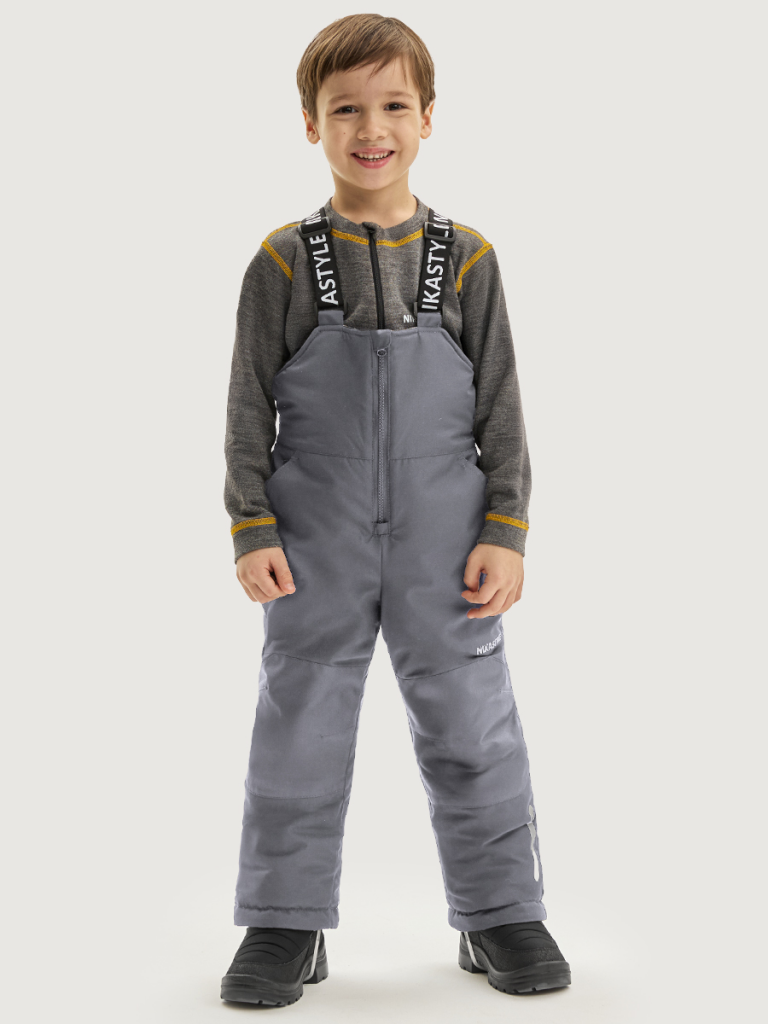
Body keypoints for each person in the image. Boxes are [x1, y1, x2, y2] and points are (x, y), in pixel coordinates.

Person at [220, 13, 571, 1007]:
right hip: (314, 542)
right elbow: (246, 407)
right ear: (311, 124)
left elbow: (502, 408)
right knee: (300, 725)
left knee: (473, 725)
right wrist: (251, 525)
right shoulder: (283, 261)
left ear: (427, 118)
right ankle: (285, 922)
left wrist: (506, 529)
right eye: (345, 110)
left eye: (393, 106)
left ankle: (500, 912)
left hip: (447, 542)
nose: (370, 129)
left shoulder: (469, 259)